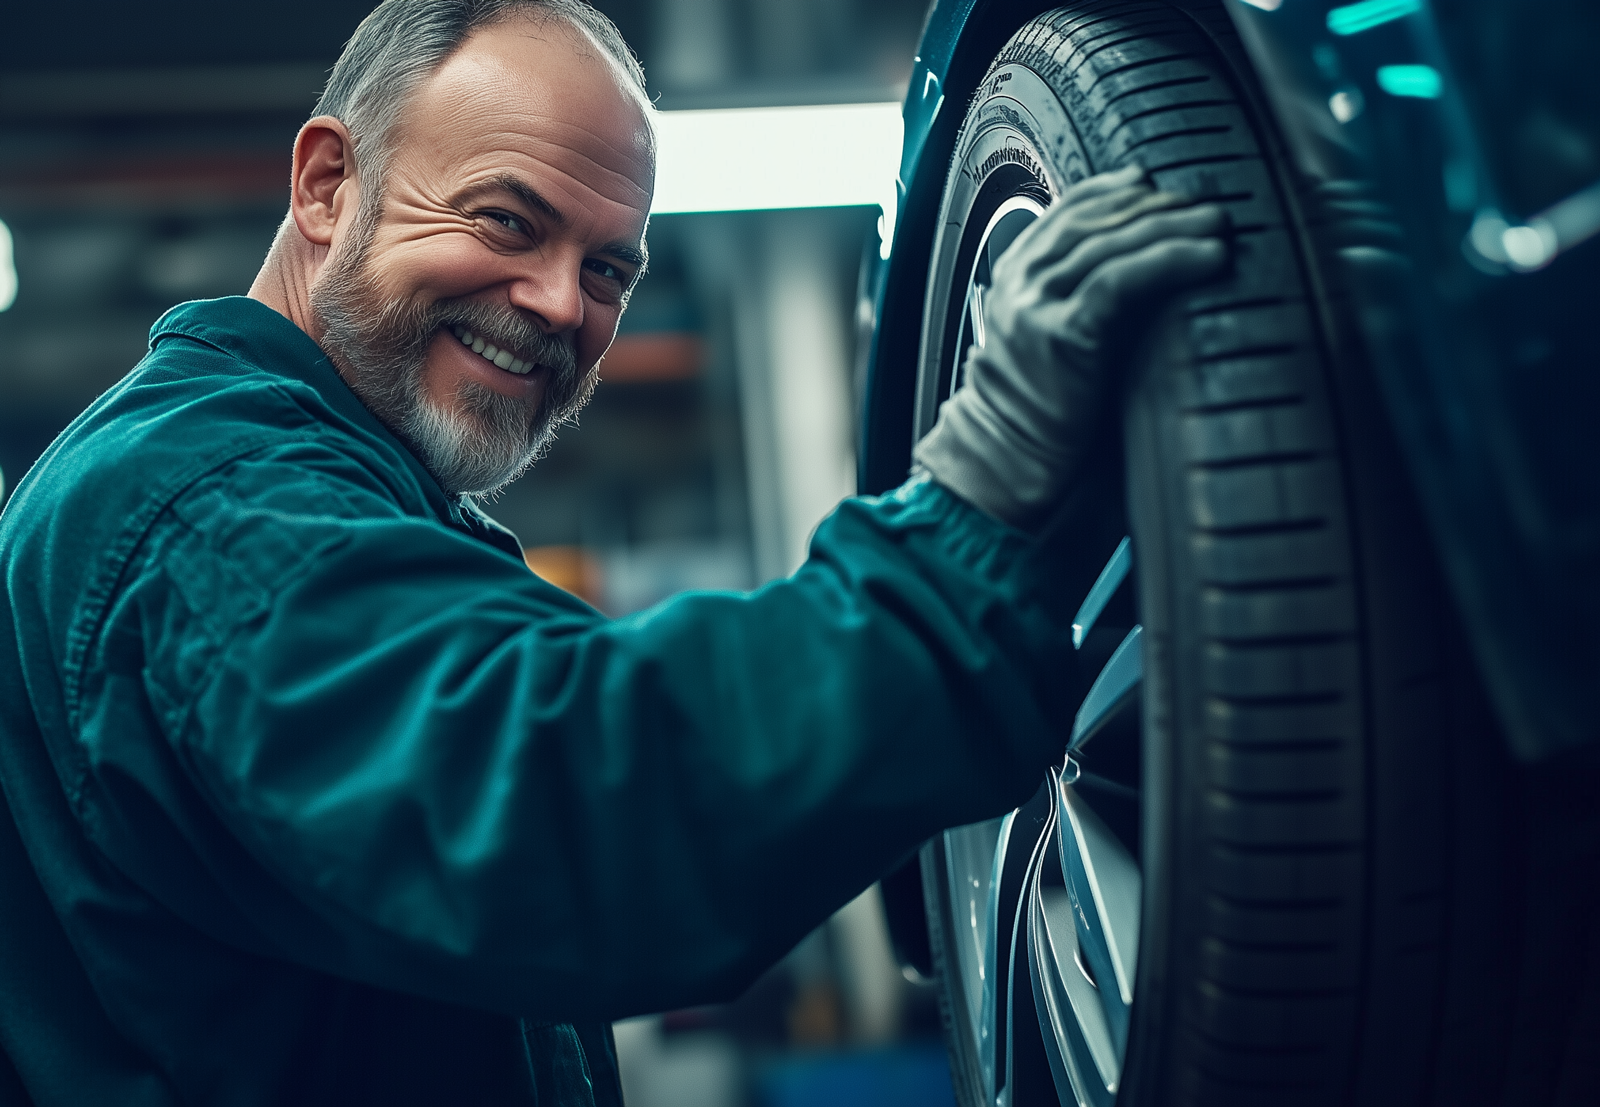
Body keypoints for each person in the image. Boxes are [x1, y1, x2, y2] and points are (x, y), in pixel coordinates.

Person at [0, 1, 1229, 1103]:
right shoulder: (206, 513)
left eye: (608, 267)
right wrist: (972, 521)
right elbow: (574, 801)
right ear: (327, 186)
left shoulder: (310, 494)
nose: (558, 305)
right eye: (505, 219)